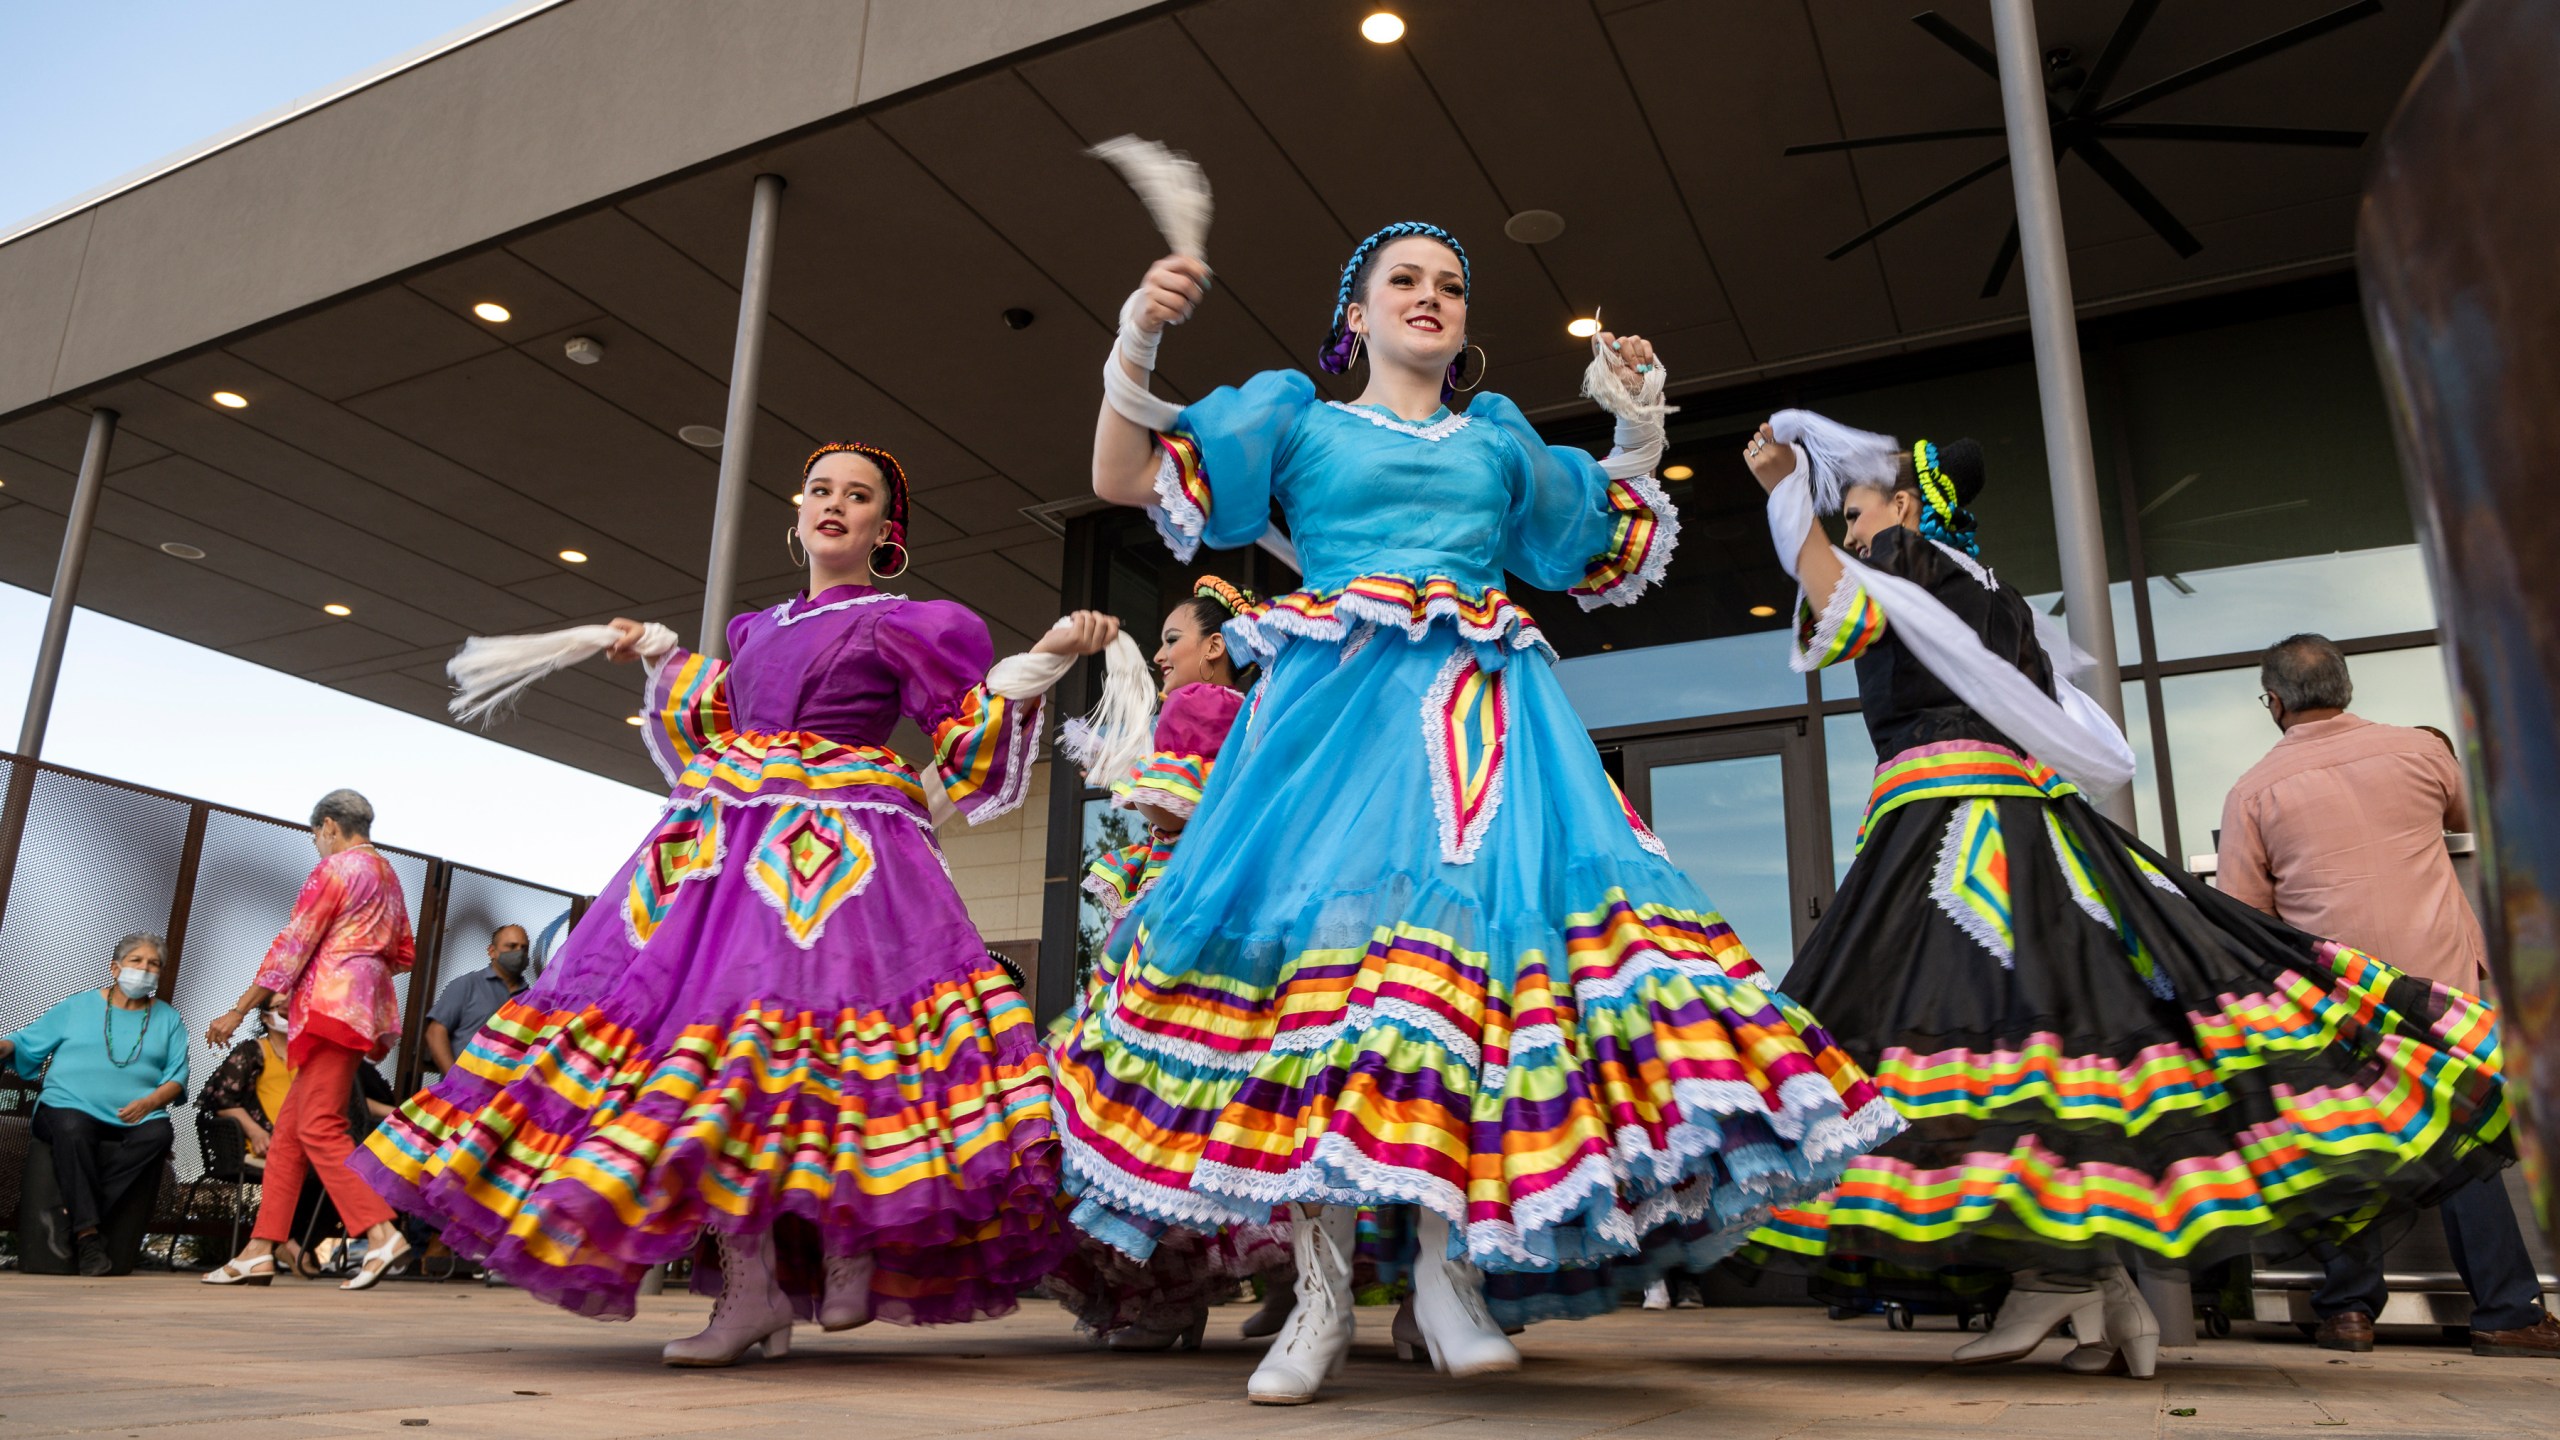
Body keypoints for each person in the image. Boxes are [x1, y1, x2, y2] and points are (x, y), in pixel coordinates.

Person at [1054, 226, 1903, 1404]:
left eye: (1450, 285)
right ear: (1353, 311)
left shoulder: (1496, 439)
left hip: (1481, 719)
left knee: (1464, 989)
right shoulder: (1297, 420)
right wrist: (1137, 334)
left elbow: (1593, 532)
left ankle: (1447, 1280)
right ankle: (1320, 1293)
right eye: (1403, 280)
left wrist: (1642, 420)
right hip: (1326, 730)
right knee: (1322, 995)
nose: (1430, 298)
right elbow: (1120, 476)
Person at [1738, 416, 2512, 1378]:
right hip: (2025, 824)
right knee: (2042, 1050)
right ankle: (2101, 1293)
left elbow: (1837, 603)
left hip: (1950, 825)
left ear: (1901, 507)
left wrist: (1780, 490)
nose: (1847, 530)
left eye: (1854, 512)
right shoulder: (1996, 592)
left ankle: (2061, 1282)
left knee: (1942, 1044)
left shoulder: (1907, 561)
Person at [357, 440, 1110, 1366]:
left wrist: (1039, 660)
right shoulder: (756, 628)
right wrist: (662, 660)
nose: (834, 504)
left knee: (826, 1050)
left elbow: (965, 735)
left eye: (858, 495)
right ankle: (749, 1292)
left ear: (886, 529)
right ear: (798, 515)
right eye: (820, 490)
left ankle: (847, 1247)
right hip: (716, 858)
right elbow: (719, 721)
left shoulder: (913, 622)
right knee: (714, 1071)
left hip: (845, 864)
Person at [2218, 634, 2557, 1358]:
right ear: (2346, 687)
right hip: (2437, 987)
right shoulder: (2419, 751)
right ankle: (2508, 1312)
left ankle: (2347, 1311)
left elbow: (2244, 913)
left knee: (2351, 1141)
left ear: (2273, 702)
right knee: (2460, 1139)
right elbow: (2475, 823)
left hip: (2339, 999)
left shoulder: (2252, 790)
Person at [1046, 576, 1292, 1352]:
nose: (1160, 656)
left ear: (1215, 649)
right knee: (1236, 1092)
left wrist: (1132, 769)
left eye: (1172, 641)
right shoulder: (1262, 712)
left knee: (1142, 1100)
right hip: (1246, 911)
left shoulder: (1199, 706)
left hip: (1184, 907)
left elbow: (1167, 809)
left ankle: (1169, 1298)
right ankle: (1291, 1281)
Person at [200, 789, 416, 1291]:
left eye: (316, 834)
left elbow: (295, 943)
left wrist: (240, 1008)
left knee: (317, 1125)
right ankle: (259, 1250)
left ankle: (380, 1231)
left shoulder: (335, 870)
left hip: (329, 1006)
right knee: (290, 1137)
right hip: (362, 1007)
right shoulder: (388, 874)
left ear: (329, 826)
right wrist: (361, 953)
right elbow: (403, 952)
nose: (317, 844)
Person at [0, 933, 185, 1276]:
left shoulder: (168, 1019)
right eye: (136, 961)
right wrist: (4, 1047)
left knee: (159, 1134)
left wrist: (149, 1102)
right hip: (66, 1106)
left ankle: (70, 1213)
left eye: (153, 964)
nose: (145, 969)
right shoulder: (77, 1006)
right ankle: (87, 1236)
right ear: (115, 968)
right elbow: (27, 1042)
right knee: (73, 1128)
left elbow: (177, 1077)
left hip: (136, 1114)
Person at [196, 997, 396, 1273]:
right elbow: (222, 1100)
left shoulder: (316, 1055)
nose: (283, 1010)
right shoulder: (254, 1052)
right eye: (277, 1006)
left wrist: (401, 1112)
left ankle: (285, 1244)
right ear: (265, 1018)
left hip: (308, 1137)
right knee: (323, 1161)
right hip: (261, 1138)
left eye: (288, 1003)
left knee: (345, 1166)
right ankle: (281, 1245)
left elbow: (353, 1099)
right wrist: (254, 1132)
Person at [423, 924, 532, 1073]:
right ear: (492, 951)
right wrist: (452, 1080)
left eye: (523, 948)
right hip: (464, 1087)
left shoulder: (531, 998)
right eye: (511, 946)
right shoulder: (467, 985)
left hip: (508, 1091)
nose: (518, 953)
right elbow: (436, 1032)